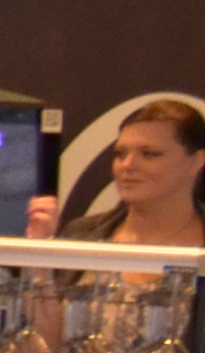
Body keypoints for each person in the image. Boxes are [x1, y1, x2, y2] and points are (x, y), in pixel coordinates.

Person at [62, 90, 205, 246]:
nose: (127, 165)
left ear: (196, 162)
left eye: (149, 154)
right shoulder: (79, 235)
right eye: (120, 154)